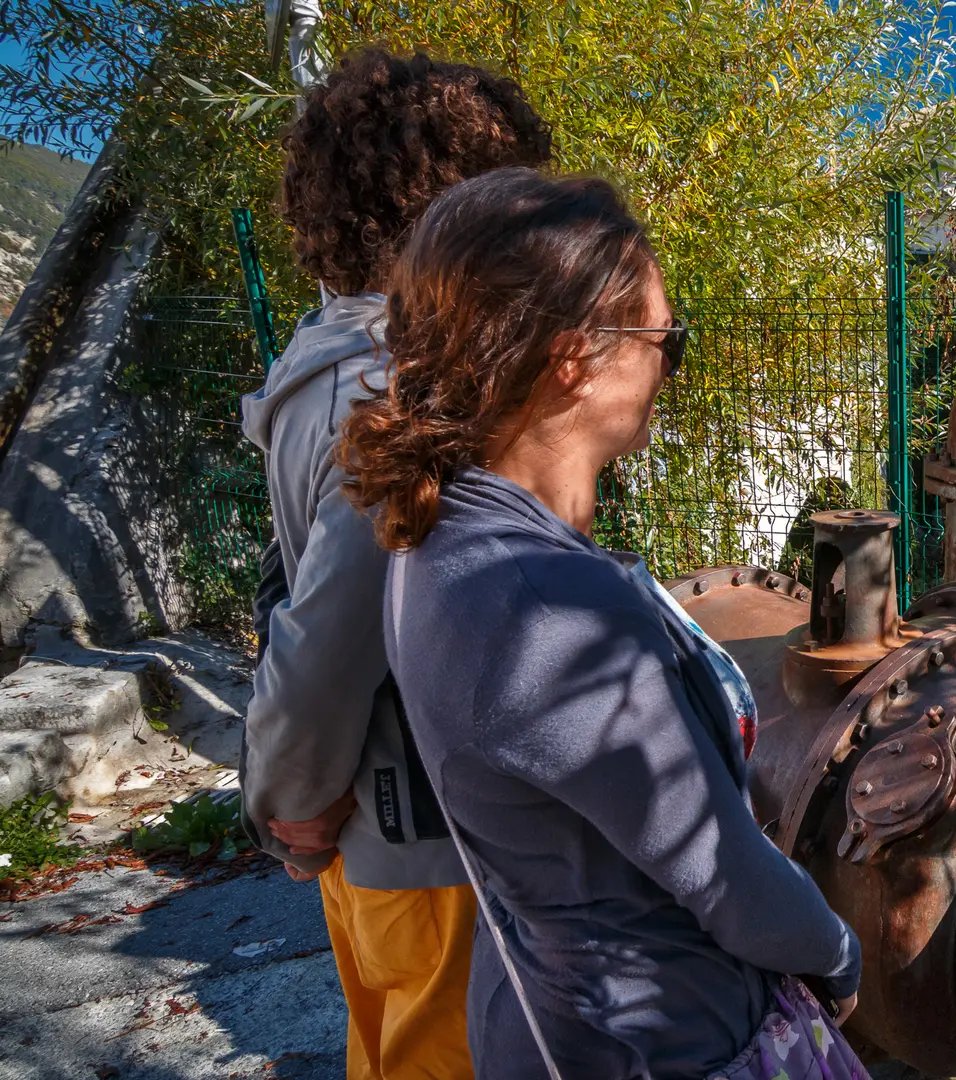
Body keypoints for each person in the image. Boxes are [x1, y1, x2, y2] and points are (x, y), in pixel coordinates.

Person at [337, 168, 867, 1080]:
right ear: (575, 359)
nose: (670, 360)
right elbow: (725, 874)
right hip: (663, 1042)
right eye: (667, 338)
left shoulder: (443, 534)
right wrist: (835, 952)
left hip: (551, 1011)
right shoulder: (548, 605)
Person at [239, 47, 551, 1080]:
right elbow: (328, 634)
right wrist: (287, 793)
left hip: (373, 834)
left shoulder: (314, 361)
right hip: (431, 835)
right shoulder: (397, 391)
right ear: (449, 214)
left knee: (384, 1043)